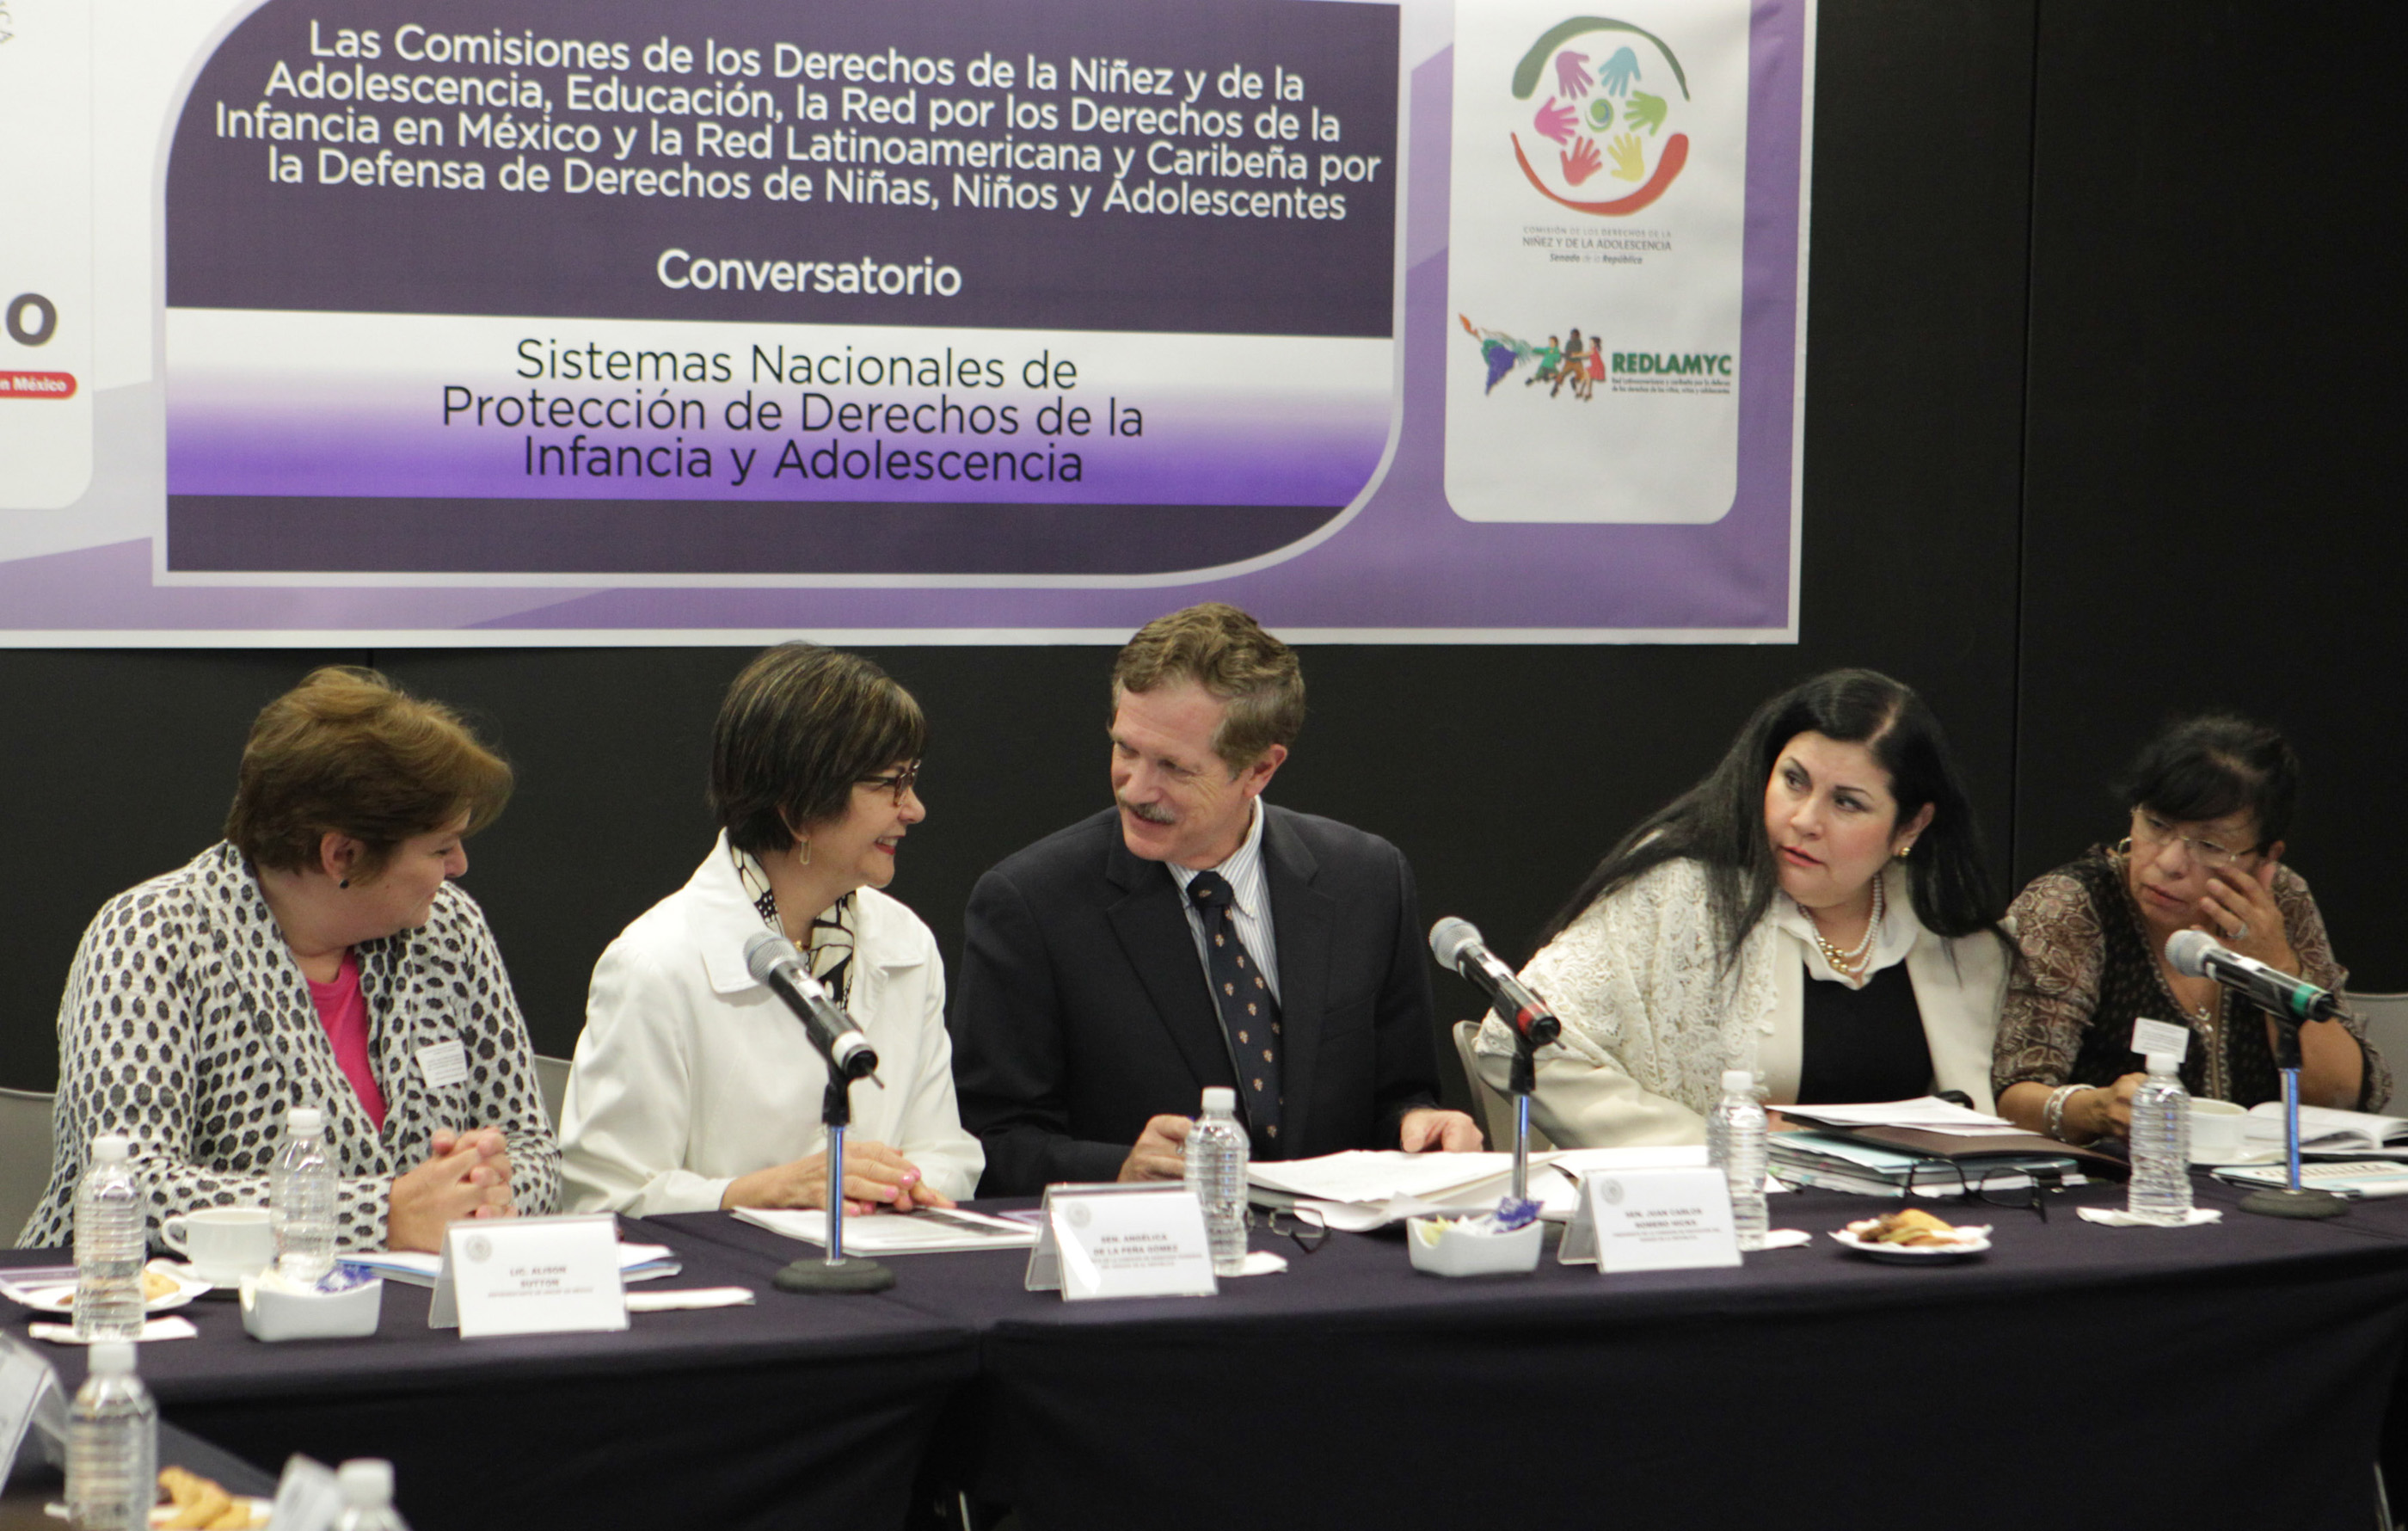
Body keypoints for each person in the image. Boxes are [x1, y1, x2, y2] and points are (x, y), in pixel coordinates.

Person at [953, 603, 1482, 1196]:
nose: (1136, 789)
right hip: (1150, 1243)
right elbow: (989, 1142)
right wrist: (1117, 1169)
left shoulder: (1366, 880)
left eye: (1174, 768)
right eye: (1125, 749)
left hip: (1335, 1246)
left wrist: (1422, 1127)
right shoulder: (1031, 903)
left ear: (1259, 770)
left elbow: (1398, 1096)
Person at [21, 667, 555, 1251]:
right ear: (342, 855)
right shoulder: (150, 937)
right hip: (154, 1300)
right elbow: (133, 1185)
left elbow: (532, 1151)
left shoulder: (448, 929)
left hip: (405, 1302)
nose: (459, 867)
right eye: (440, 848)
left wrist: (482, 1193)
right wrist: (383, 1218)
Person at [1473, 669, 2010, 1145]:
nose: (1805, 820)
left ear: (1911, 826)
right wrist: (1719, 1146)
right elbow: (1512, 1039)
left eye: (1847, 802)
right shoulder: (1683, 891)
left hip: (1909, 1217)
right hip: (1731, 1206)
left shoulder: (1945, 927)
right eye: (1794, 781)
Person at [559, 643, 980, 1216]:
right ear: (798, 807)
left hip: (887, 1258)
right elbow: (602, 1199)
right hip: (723, 1272)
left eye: (912, 779)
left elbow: (947, 1151)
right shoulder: (654, 965)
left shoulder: (906, 943)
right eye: (891, 783)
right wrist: (762, 1193)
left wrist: (898, 1187)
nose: (914, 809)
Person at [1993, 715, 2387, 1141]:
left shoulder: (2281, 903)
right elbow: (2011, 1095)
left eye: (2210, 845)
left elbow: (2344, 1098)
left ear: (2265, 858)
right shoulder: (2074, 905)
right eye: (2156, 825)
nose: (2169, 863)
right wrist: (2097, 1110)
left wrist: (2278, 966)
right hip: (2115, 1173)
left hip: (2255, 1171)